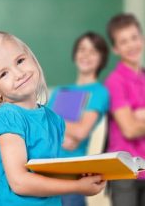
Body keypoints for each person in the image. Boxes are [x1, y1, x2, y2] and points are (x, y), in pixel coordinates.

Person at [0, 31, 106, 206]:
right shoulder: (7, 116)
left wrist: (84, 176)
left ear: (32, 58)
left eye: (20, 61)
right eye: (3, 74)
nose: (18, 73)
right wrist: (77, 186)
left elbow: (51, 171)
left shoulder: (53, 118)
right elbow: (19, 182)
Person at [47, 32, 110, 206]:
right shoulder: (61, 91)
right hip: (45, 174)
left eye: (93, 51)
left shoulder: (99, 92)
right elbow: (43, 124)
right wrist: (62, 132)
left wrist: (55, 124)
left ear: (101, 58)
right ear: (75, 54)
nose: (86, 55)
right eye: (82, 49)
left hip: (72, 176)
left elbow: (81, 131)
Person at [105, 13, 145, 206]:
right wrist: (134, 119)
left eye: (134, 38)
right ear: (115, 48)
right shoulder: (115, 81)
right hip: (124, 172)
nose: (131, 45)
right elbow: (129, 129)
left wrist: (140, 116)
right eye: (123, 41)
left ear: (142, 39)